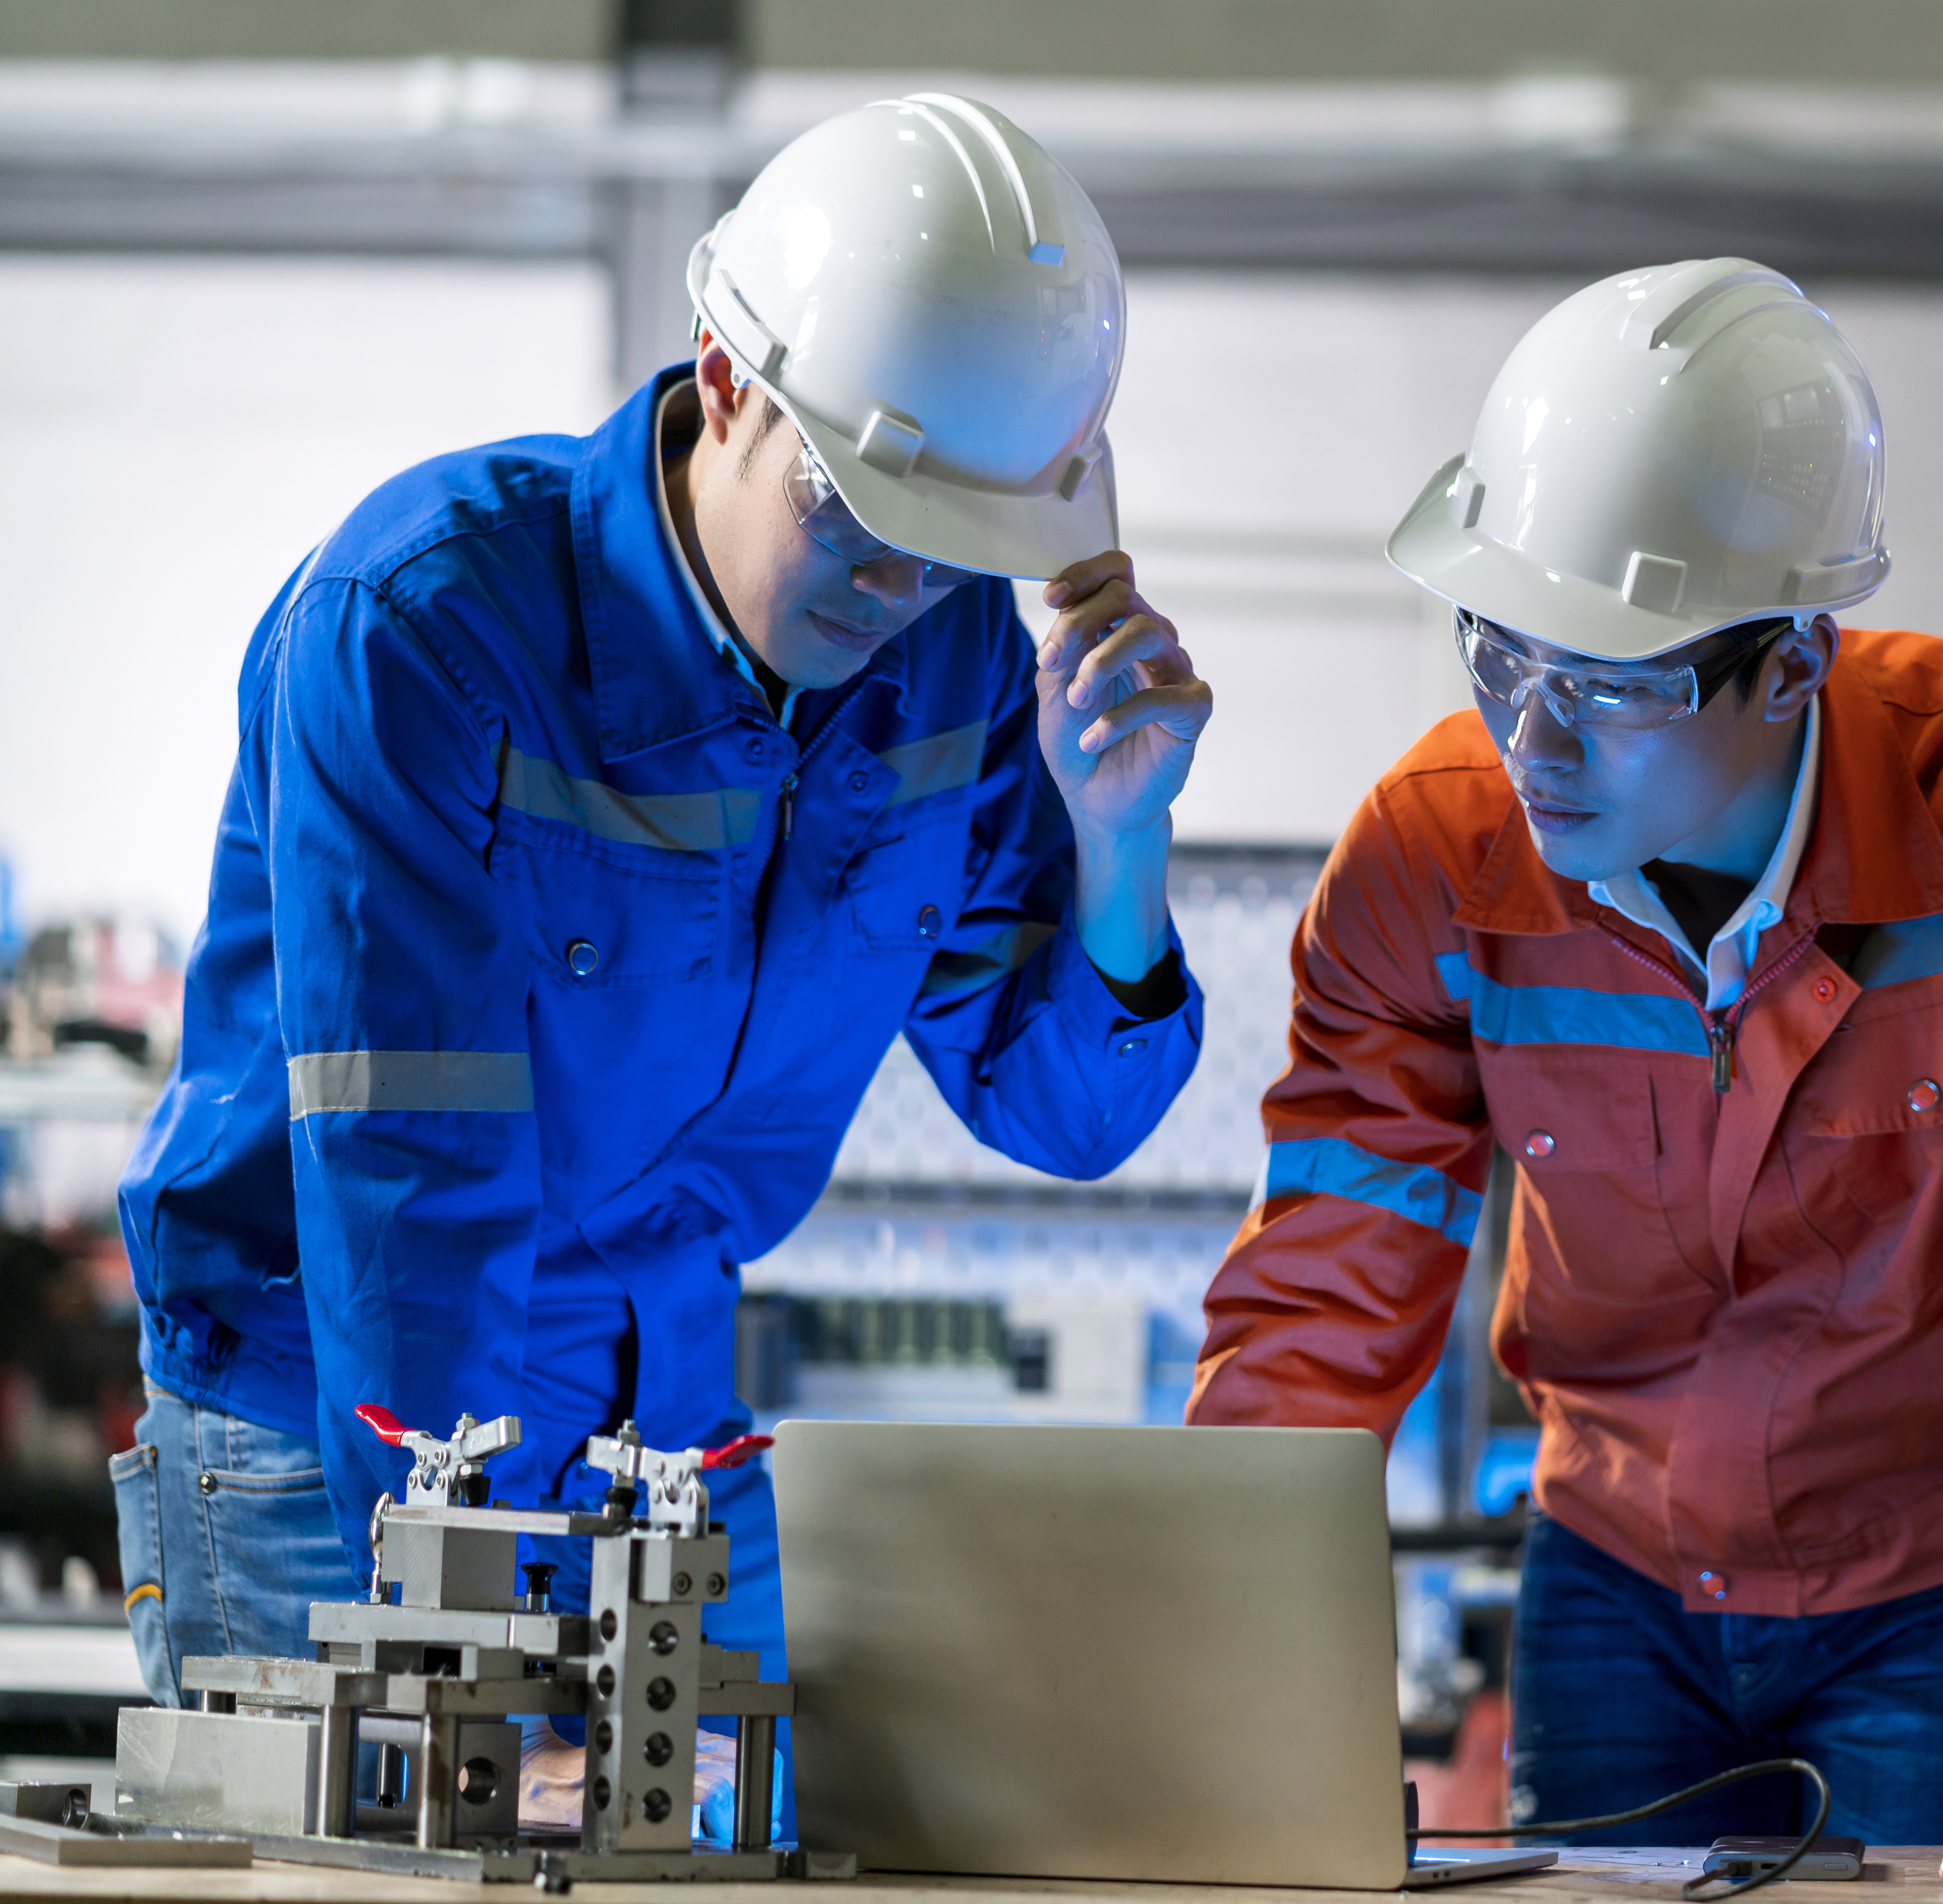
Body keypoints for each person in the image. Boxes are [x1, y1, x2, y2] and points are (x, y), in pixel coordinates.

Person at [109, 96, 1212, 1768]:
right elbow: (415, 1182)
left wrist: (1117, 838)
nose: (897, 591)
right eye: (859, 514)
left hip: (663, 1421)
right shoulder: (423, 629)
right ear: (724, 380)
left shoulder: (962, 655)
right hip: (336, 1406)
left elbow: (1061, 1108)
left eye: (955, 547)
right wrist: (469, 1650)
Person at [1189, 260, 1943, 1899]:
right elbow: (1327, 1288)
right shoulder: (1430, 856)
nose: (1533, 739)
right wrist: (1192, 1689)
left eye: (1610, 682)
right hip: (1613, 1579)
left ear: (1795, 661)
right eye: (1499, 652)